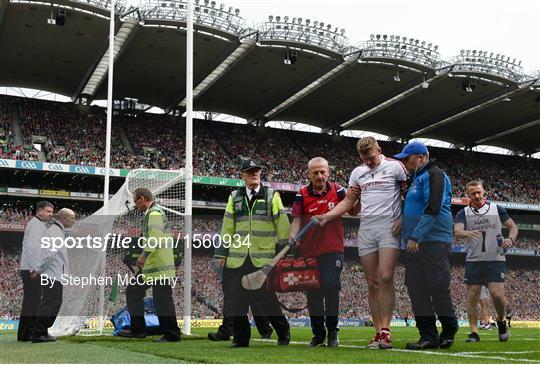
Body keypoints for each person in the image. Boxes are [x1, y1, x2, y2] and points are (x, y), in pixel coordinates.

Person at [317, 137, 407, 349]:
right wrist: (328, 216)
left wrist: (402, 218)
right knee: (372, 282)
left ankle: (386, 330)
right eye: (364, 158)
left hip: (389, 227)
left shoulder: (395, 167)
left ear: (379, 150)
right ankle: (377, 332)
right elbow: (348, 202)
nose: (368, 161)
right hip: (366, 228)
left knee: (386, 276)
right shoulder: (358, 173)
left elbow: (408, 196)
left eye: (371, 157)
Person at [214, 159, 290, 348]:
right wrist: (221, 253)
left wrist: (283, 253)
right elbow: (227, 227)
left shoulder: (272, 196)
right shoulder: (234, 197)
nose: (254, 174)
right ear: (243, 176)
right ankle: (241, 340)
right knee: (236, 298)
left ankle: (282, 330)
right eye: (250, 172)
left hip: (262, 258)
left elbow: (282, 225)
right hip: (237, 257)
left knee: (266, 298)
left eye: (257, 171)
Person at [394, 141, 458, 350]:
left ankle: (449, 328)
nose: (404, 162)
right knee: (416, 290)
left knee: (437, 288)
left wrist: (416, 236)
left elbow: (434, 207)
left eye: (407, 158)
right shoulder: (416, 179)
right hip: (414, 244)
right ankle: (428, 336)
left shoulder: (434, 174)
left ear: (421, 157)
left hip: (432, 242)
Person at [290, 157, 352, 348]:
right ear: (309, 174)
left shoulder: (338, 190)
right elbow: (297, 220)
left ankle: (333, 331)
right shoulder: (301, 195)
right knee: (313, 293)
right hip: (309, 253)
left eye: (322, 171)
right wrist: (292, 237)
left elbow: (350, 208)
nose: (319, 175)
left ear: (328, 172)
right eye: (315, 172)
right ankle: (318, 334)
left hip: (333, 251)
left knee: (331, 286)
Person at [454, 180, 517, 343]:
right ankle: (474, 333)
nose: (476, 195)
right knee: (472, 296)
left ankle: (501, 321)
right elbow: (457, 230)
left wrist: (510, 239)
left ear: (484, 192)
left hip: (495, 259)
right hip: (474, 260)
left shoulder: (497, 209)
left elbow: (513, 227)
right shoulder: (464, 213)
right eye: (473, 193)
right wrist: (467, 233)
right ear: (468, 196)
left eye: (479, 192)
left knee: (497, 294)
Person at [119, 188, 180, 342]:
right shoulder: (151, 214)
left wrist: (144, 256)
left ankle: (171, 333)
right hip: (153, 266)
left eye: (135, 201)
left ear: (142, 198)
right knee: (134, 291)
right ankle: (139, 330)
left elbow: (155, 238)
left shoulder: (154, 214)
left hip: (158, 265)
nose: (135, 205)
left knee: (162, 299)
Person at [32, 208, 76, 343]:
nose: (74, 221)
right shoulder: (56, 232)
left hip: (55, 273)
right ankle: (39, 333)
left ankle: (42, 331)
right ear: (63, 218)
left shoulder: (58, 231)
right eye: (72, 218)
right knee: (50, 303)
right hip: (52, 273)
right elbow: (49, 254)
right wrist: (38, 269)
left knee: (54, 302)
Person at [18, 201, 54, 342]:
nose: (50, 214)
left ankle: (25, 333)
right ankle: (27, 333)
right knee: (32, 303)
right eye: (48, 211)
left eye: (52, 212)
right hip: (31, 269)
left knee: (31, 302)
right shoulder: (36, 224)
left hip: (31, 268)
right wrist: (35, 268)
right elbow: (32, 247)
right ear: (39, 211)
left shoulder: (38, 224)